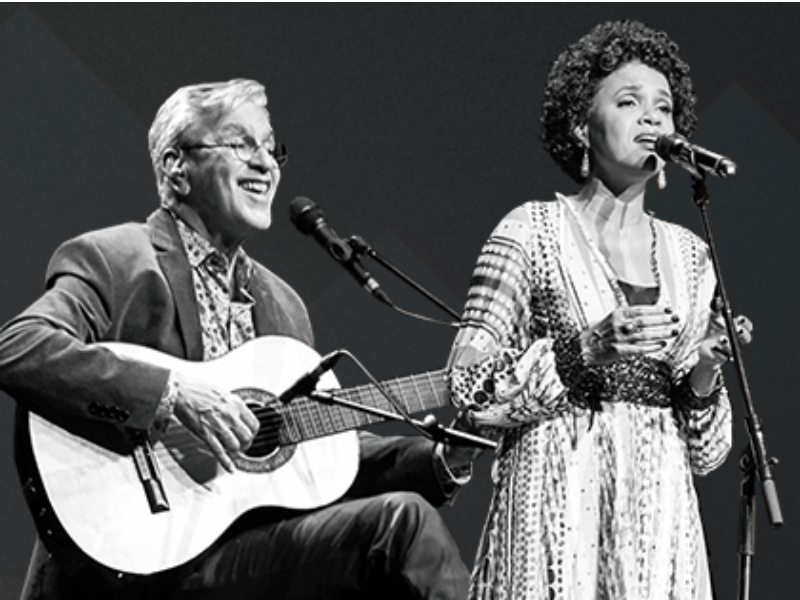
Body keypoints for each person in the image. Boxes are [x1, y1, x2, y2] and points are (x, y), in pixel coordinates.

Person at [0, 79, 475, 599]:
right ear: (177, 168)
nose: (267, 163)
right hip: (133, 564)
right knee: (400, 525)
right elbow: (20, 347)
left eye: (272, 148)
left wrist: (438, 459)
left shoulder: (282, 305)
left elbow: (320, 454)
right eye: (240, 143)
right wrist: (173, 394)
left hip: (244, 560)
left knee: (396, 535)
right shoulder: (116, 260)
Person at [446, 20, 753, 600]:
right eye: (629, 101)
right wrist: (583, 350)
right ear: (579, 125)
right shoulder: (529, 231)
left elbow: (708, 454)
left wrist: (707, 371)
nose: (651, 120)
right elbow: (467, 387)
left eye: (663, 109)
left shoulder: (691, 257)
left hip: (658, 541)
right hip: (553, 525)